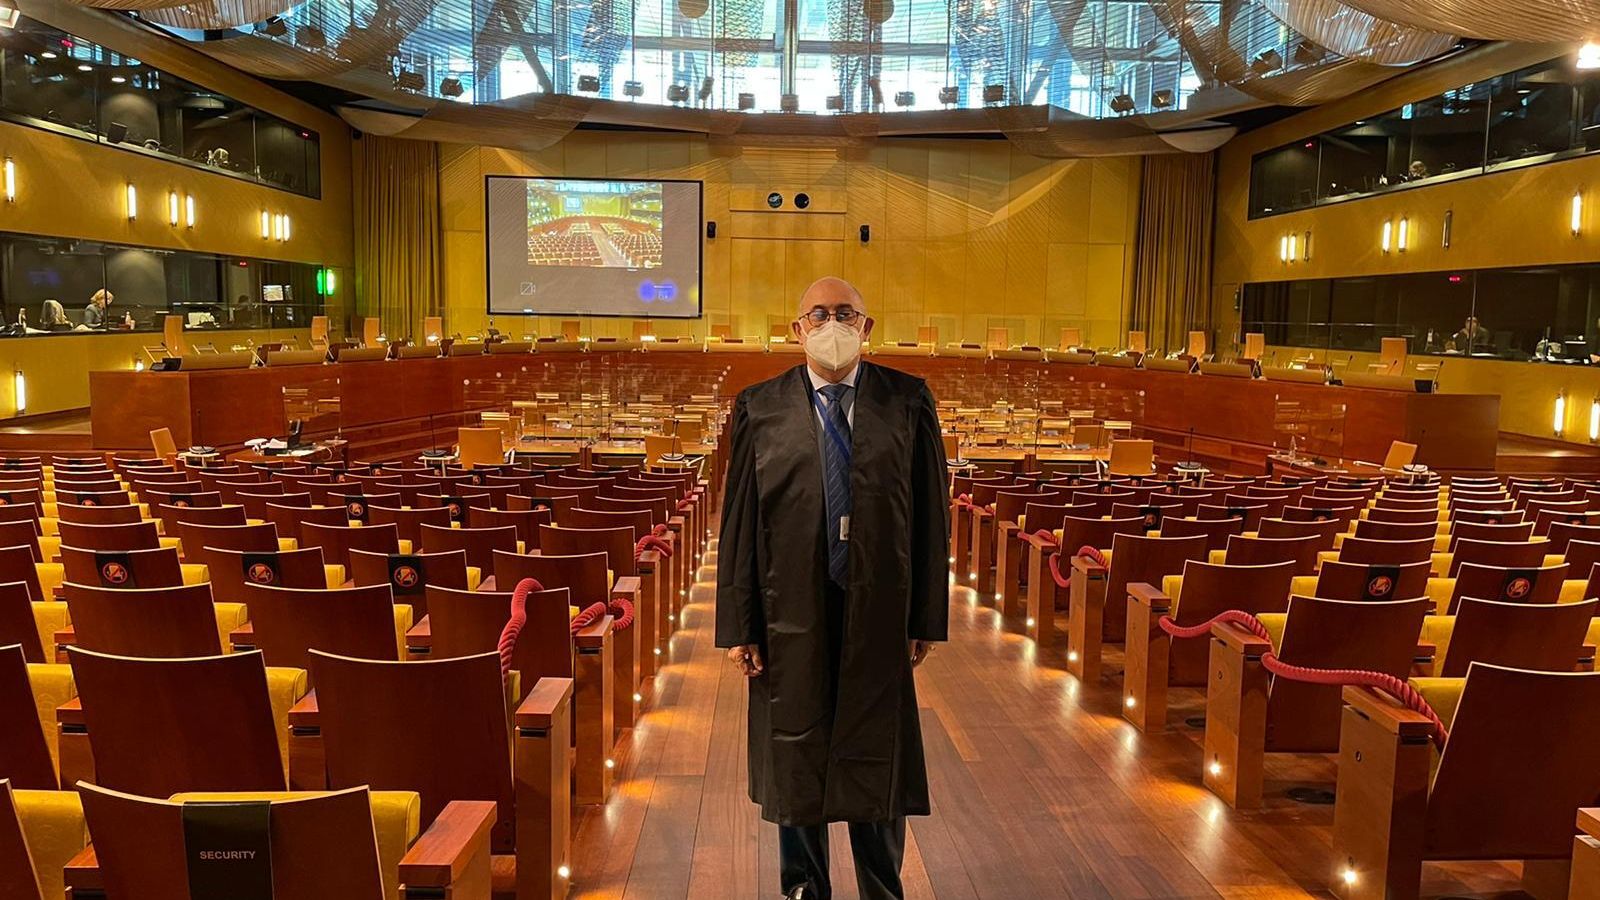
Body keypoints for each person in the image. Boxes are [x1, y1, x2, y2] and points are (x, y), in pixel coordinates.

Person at [716, 276, 948, 900]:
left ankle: (881, 887)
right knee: (797, 753)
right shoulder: (758, 407)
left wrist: (927, 616)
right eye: (817, 314)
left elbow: (930, 513)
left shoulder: (908, 401)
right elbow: (738, 519)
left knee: (876, 749)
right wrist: (739, 626)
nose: (831, 324)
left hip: (880, 605)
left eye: (845, 313)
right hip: (788, 608)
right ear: (796, 329)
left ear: (867, 327)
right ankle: (803, 889)